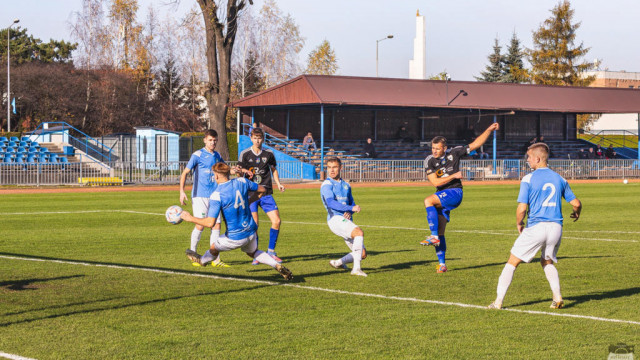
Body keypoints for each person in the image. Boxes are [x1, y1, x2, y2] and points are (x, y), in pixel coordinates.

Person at [488, 143, 581, 309]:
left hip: (537, 226)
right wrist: (576, 212)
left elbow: (522, 208)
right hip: (556, 227)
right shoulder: (560, 178)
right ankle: (557, 297)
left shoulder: (528, 178)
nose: (528, 160)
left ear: (538, 159)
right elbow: (576, 203)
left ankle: (498, 302)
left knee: (512, 262)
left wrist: (519, 222)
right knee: (547, 262)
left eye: (529, 157)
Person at [182, 163, 293, 281]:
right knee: (253, 252)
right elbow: (262, 189)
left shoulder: (217, 195)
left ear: (217, 176)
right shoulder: (242, 181)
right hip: (251, 230)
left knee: (214, 247)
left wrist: (190, 218)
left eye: (214, 175)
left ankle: (202, 260)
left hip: (235, 237)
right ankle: (276, 265)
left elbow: (210, 223)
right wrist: (249, 201)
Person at [420, 122, 500, 273]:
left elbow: (476, 144)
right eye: (433, 148)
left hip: (455, 192)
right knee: (440, 230)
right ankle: (442, 264)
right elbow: (435, 182)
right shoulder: (429, 160)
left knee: (428, 201)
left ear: (444, 148)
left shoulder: (454, 153)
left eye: (437, 148)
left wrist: (489, 129)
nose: (434, 151)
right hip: (442, 195)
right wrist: (454, 176)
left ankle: (433, 236)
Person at [236, 127, 286, 264]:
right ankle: (257, 254)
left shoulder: (269, 153)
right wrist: (244, 170)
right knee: (255, 224)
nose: (257, 140)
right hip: (251, 194)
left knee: (276, 221)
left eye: (259, 138)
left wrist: (279, 184)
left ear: (262, 139)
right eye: (255, 138)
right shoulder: (245, 154)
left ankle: (270, 252)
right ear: (251, 138)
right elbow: (238, 172)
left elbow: (273, 170)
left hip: (266, 193)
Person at [179, 129, 227, 268]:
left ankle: (215, 259)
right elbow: (185, 173)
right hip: (200, 195)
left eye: (215, 140)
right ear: (205, 140)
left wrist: (236, 169)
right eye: (210, 140)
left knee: (216, 225)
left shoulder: (217, 155)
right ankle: (193, 254)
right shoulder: (197, 155)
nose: (213, 142)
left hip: (215, 196)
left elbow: (225, 169)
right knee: (200, 224)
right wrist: (182, 191)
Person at [321, 157, 368, 277]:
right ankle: (356, 269)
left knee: (362, 254)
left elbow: (351, 202)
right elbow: (330, 202)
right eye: (329, 168)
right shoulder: (327, 184)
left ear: (340, 168)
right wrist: (349, 208)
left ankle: (338, 263)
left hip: (346, 221)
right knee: (359, 232)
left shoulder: (346, 185)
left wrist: (350, 211)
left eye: (335, 167)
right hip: (335, 219)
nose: (331, 170)